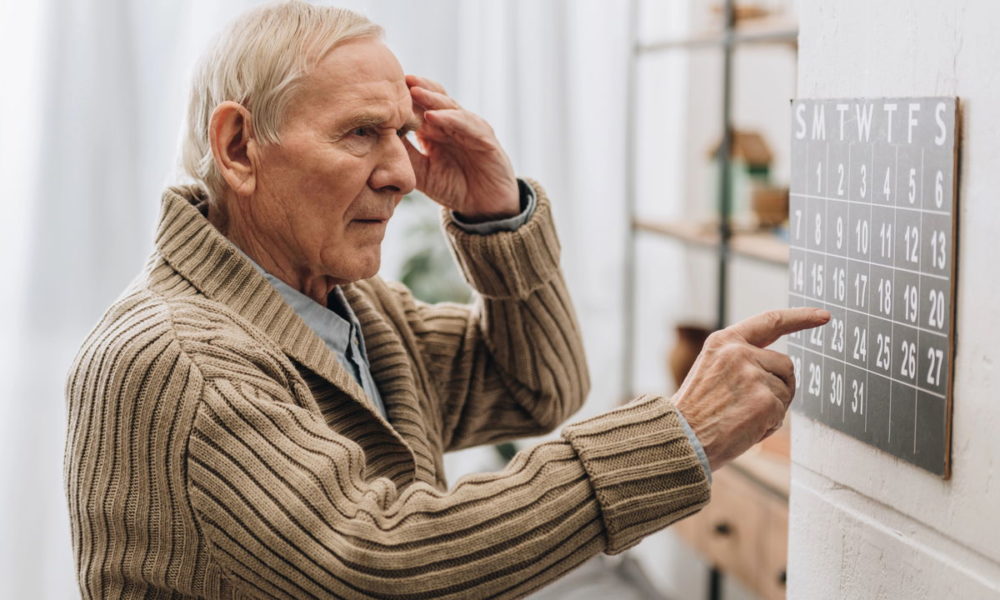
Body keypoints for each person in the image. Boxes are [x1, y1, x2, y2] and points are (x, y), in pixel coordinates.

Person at [64, 2, 829, 598]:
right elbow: (382, 566)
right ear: (238, 148)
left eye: (403, 131)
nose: (402, 172)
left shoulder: (356, 313)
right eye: (362, 132)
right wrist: (680, 436)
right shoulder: (172, 359)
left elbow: (538, 388)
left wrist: (498, 217)